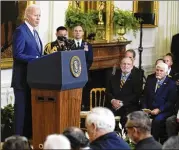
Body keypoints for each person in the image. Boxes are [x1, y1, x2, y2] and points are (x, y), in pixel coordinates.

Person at [11, 4, 42, 138]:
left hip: (32, 80)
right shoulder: (20, 31)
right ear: (27, 16)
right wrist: (36, 59)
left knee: (30, 113)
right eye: (36, 15)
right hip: (21, 80)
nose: (38, 18)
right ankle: (16, 143)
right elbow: (17, 54)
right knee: (21, 113)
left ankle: (28, 141)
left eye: (39, 16)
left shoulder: (35, 32)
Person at [142, 62, 178, 141]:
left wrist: (159, 110)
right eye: (157, 70)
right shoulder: (150, 81)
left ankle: (153, 142)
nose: (158, 72)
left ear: (166, 72)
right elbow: (144, 97)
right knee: (140, 117)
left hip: (164, 110)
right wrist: (144, 108)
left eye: (161, 71)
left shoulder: (171, 84)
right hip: (149, 109)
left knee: (157, 121)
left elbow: (170, 102)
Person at [106, 57, 142, 127]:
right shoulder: (113, 76)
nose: (126, 66)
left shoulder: (137, 78)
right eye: (124, 64)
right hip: (113, 105)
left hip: (128, 106)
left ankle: (123, 137)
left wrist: (121, 103)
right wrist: (113, 100)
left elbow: (136, 95)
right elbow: (108, 92)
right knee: (105, 116)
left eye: (128, 64)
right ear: (120, 65)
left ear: (132, 66)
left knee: (126, 118)